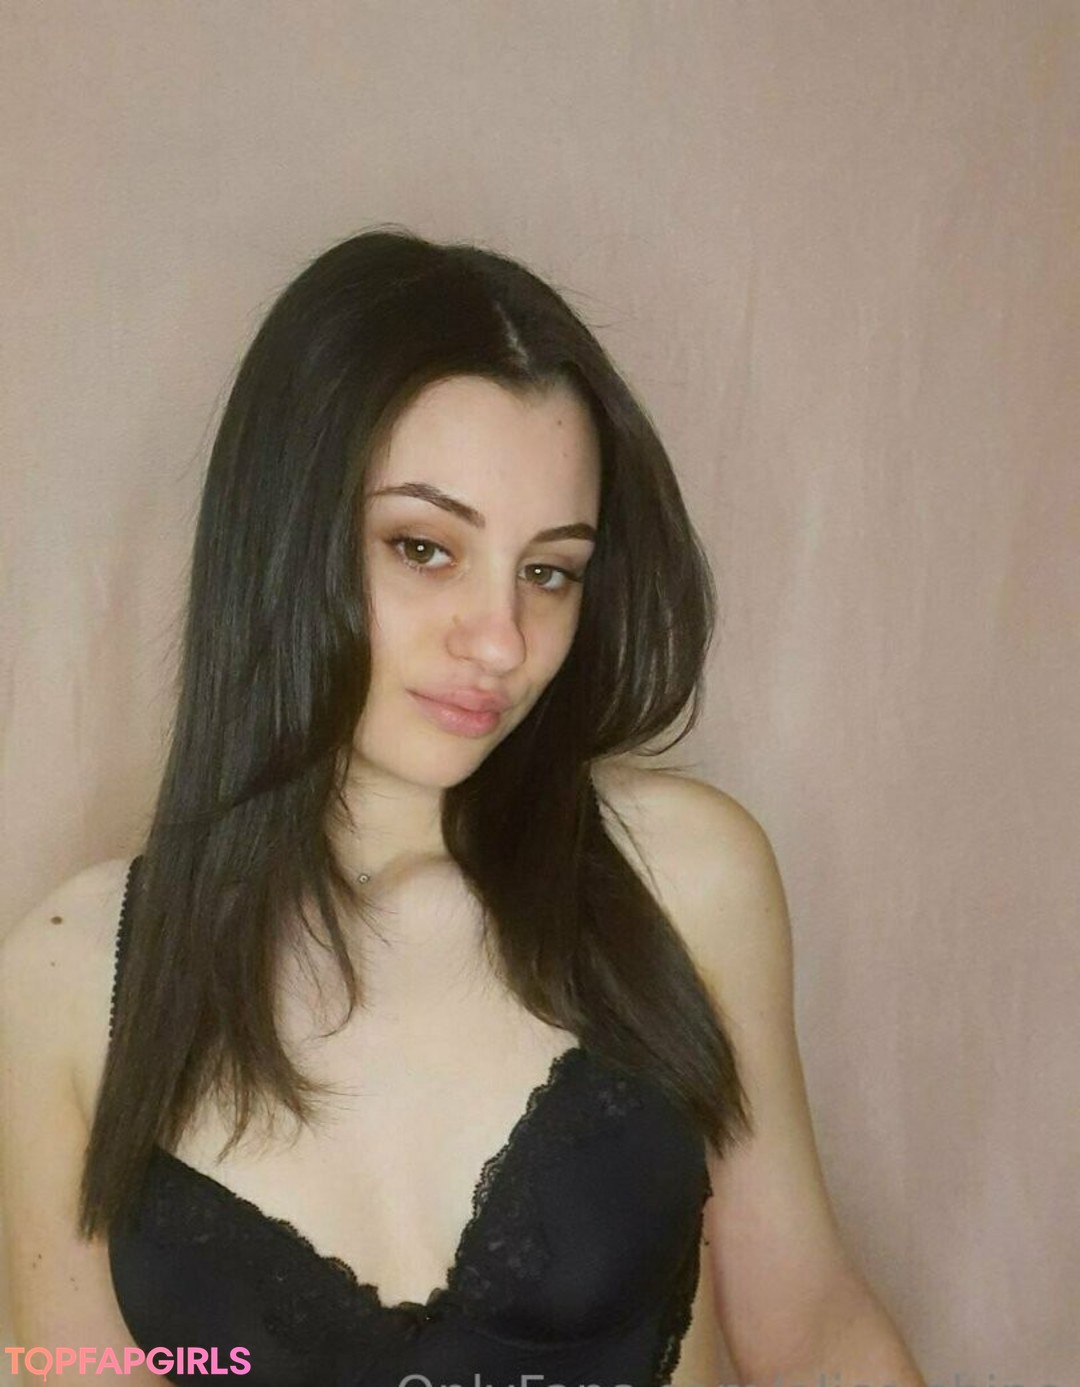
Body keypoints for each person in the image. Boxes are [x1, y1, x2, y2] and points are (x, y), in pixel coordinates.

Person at [0, 229, 924, 1386]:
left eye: (549, 570)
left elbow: (817, 1332)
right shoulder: (67, 980)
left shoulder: (686, 880)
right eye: (425, 548)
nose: (500, 641)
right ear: (281, 538)